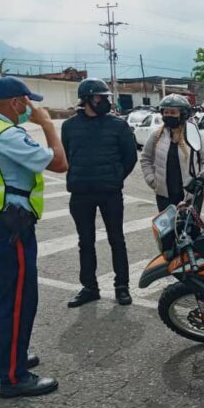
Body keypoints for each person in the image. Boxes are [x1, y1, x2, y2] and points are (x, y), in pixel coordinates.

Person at [0, 76, 68, 397]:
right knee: (18, 299)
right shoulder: (8, 135)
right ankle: (14, 376)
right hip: (12, 225)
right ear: (15, 103)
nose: (30, 108)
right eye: (27, 102)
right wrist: (48, 124)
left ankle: (1, 361)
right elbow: (60, 164)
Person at [61, 78, 138, 308]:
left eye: (105, 97)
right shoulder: (69, 126)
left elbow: (130, 157)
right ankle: (89, 287)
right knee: (85, 241)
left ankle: (121, 287)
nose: (104, 101)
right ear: (86, 99)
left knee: (117, 240)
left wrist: (115, 178)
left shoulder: (118, 126)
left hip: (110, 193)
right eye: (99, 97)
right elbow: (67, 154)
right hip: (80, 193)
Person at [140, 94, 204, 212]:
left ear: (183, 114)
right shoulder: (155, 135)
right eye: (166, 112)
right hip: (164, 195)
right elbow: (145, 158)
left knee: (190, 229)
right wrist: (152, 180)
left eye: (173, 112)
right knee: (168, 229)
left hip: (190, 195)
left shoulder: (194, 135)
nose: (169, 115)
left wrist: (200, 180)